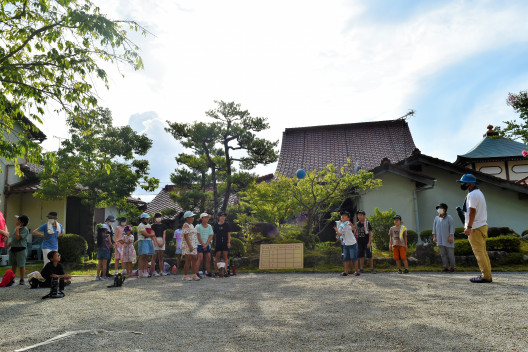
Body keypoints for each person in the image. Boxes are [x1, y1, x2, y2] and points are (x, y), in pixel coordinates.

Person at [457, 174, 492, 283]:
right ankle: (487, 274)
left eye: (464, 183)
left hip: (475, 227)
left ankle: (486, 276)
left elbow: (472, 211)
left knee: (479, 253)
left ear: (470, 184)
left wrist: (469, 227)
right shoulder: (479, 193)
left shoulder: (472, 195)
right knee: (483, 252)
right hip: (482, 225)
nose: (462, 184)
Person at [0, 215, 30, 285]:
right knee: (14, 264)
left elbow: (18, 237)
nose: (16, 221)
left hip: (21, 249)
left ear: (22, 222)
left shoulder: (25, 229)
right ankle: (12, 278)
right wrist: (10, 243)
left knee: (21, 265)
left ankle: (22, 279)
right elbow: (14, 238)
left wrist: (17, 229)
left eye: (18, 220)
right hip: (13, 248)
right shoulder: (16, 228)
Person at [334, 211, 359, 277]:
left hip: (352, 243)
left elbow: (354, 229)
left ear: (348, 218)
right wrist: (336, 230)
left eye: (344, 216)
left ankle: (356, 271)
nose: (342, 216)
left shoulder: (348, 223)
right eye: (342, 215)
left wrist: (352, 225)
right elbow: (339, 234)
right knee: (346, 258)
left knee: (353, 257)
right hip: (345, 243)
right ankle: (346, 272)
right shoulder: (341, 226)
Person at [432, 203, 456, 272]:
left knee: (450, 253)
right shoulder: (436, 218)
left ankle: (452, 266)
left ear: (444, 209)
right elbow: (434, 228)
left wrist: (451, 236)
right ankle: (445, 266)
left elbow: (452, 227)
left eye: (440, 208)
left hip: (448, 238)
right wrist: (434, 236)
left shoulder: (449, 217)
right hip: (439, 238)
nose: (439, 209)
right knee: (442, 254)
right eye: (438, 208)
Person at [181, 211, 200, 281]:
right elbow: (186, 237)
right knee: (188, 260)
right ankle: (185, 275)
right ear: (187, 218)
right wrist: (190, 246)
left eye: (193, 217)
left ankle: (194, 274)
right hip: (187, 245)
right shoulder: (186, 225)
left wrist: (193, 245)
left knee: (194, 258)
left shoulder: (191, 225)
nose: (193, 218)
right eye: (191, 217)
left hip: (194, 244)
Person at [137, 213, 155, 278]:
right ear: (143, 219)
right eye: (146, 218)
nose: (147, 219)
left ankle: (145, 271)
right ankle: (140, 272)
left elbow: (152, 233)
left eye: (148, 218)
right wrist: (151, 234)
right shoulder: (140, 225)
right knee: (142, 256)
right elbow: (146, 234)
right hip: (142, 241)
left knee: (146, 256)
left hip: (148, 241)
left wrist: (150, 234)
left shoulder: (148, 225)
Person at [196, 212, 214, 277]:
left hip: (207, 244)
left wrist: (206, 244)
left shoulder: (209, 226)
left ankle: (208, 272)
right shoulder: (198, 226)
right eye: (206, 217)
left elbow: (210, 236)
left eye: (208, 217)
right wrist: (203, 244)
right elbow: (198, 236)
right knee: (200, 258)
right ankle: (196, 272)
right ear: (202, 218)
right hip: (199, 244)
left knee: (208, 258)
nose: (207, 219)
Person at [150, 212, 167, 276]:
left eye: (160, 217)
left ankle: (161, 271)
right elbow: (153, 235)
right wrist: (157, 242)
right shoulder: (153, 226)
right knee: (154, 257)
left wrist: (163, 242)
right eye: (157, 217)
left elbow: (164, 234)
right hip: (155, 240)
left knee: (161, 257)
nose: (159, 218)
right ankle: (153, 271)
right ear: (154, 218)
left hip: (162, 240)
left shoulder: (164, 226)